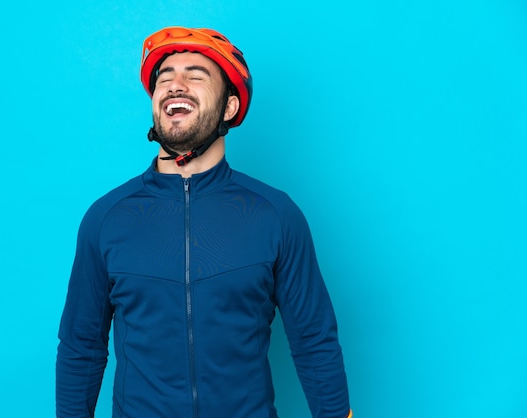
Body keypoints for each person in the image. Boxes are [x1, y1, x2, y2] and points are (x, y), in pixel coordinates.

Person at [56, 26, 352, 418]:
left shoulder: (275, 215)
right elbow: (82, 346)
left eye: (195, 75)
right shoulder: (106, 218)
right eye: (165, 77)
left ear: (229, 107)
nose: (176, 84)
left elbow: (314, 340)